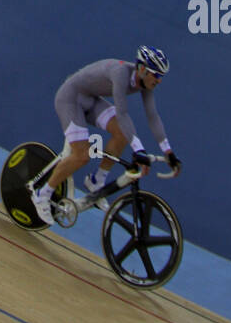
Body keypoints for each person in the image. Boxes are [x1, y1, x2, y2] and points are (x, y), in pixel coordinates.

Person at [31, 47, 181, 224]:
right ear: (142, 69)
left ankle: (97, 180)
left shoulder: (146, 83)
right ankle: (43, 193)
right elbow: (122, 113)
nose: (159, 80)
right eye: (156, 74)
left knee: (122, 134)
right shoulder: (121, 74)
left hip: (90, 98)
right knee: (82, 156)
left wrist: (168, 152)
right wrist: (139, 150)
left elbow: (153, 116)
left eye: (161, 76)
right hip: (70, 99)